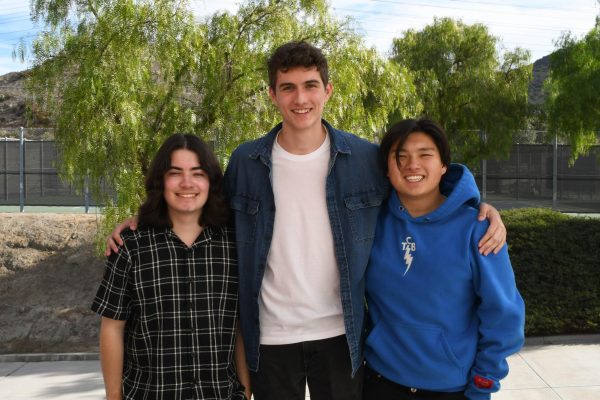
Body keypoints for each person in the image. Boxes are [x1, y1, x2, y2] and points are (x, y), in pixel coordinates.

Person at [106, 42, 507, 400]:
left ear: (327, 91)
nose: (301, 98)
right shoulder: (247, 162)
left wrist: (474, 205)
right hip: (271, 337)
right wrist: (144, 218)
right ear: (272, 95)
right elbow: (202, 208)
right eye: (288, 87)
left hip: (341, 334)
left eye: (311, 85)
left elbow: (418, 186)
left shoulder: (365, 159)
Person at [363, 119, 525, 400]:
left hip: (452, 389)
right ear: (387, 170)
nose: (412, 164)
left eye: (425, 154)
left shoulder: (477, 229)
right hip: (379, 382)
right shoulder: (369, 224)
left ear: (443, 166)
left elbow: (503, 315)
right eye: (400, 156)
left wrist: (483, 382)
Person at [92, 133, 250, 400]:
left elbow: (239, 328)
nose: (187, 183)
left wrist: (246, 393)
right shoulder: (130, 245)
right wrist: (114, 396)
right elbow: (112, 327)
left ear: (210, 182)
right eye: (175, 173)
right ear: (160, 182)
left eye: (197, 173)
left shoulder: (234, 245)